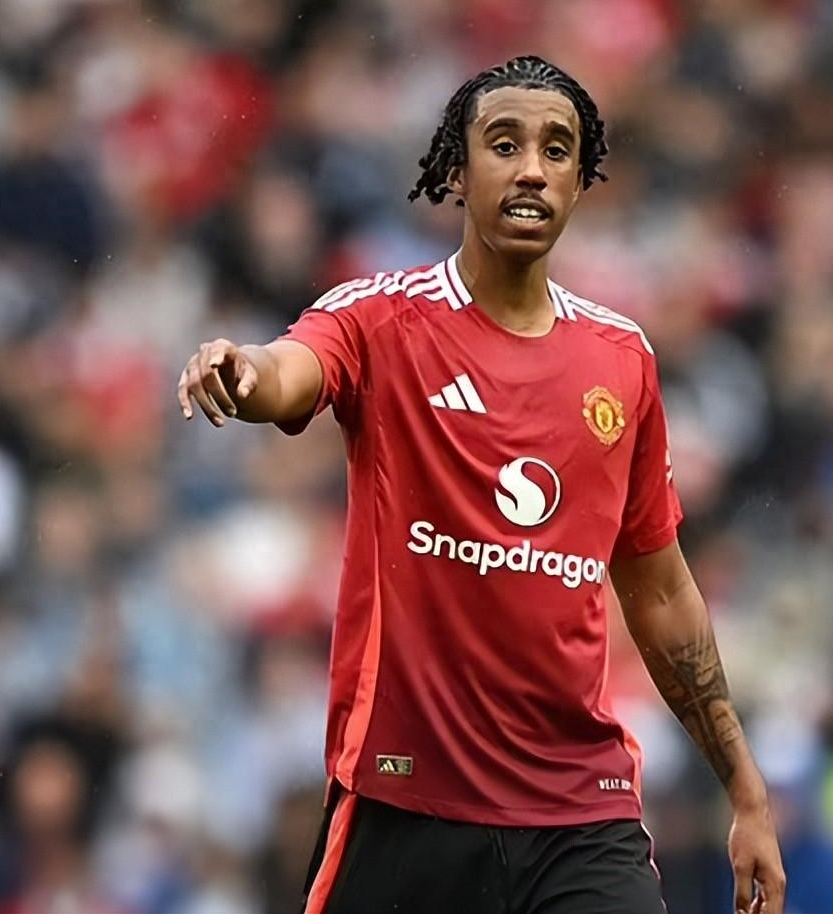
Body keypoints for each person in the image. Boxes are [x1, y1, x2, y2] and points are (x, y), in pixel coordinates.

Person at [177, 55, 785, 914]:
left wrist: (746, 789)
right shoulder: (381, 319)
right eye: (504, 144)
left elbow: (659, 591)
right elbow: (288, 373)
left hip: (579, 815)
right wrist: (242, 374)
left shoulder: (621, 360)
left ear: (580, 180)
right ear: (457, 173)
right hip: (407, 806)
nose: (532, 167)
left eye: (557, 149)